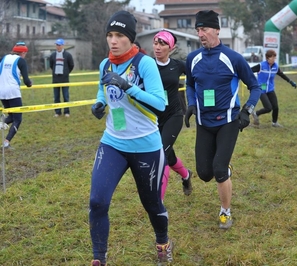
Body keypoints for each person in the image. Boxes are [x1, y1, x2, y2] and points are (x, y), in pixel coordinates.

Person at [89, 11, 172, 266]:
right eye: (110, 35)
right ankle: (99, 258)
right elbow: (103, 90)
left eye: (120, 36)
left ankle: (163, 242)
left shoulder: (144, 64)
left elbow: (161, 103)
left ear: (130, 39)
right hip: (113, 142)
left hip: (145, 145)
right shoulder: (106, 64)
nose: (113, 41)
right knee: (97, 201)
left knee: (152, 204)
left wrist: (128, 86)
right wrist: (99, 103)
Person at [185, 10, 261, 229]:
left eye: (205, 29)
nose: (201, 34)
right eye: (198, 30)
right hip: (204, 122)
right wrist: (191, 103)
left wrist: (247, 109)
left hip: (228, 120)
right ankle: (224, 171)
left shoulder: (233, 58)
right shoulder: (193, 58)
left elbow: (254, 86)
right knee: (204, 173)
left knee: (218, 169)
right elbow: (190, 84)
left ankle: (225, 211)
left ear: (217, 30)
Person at [152, 29, 193, 200]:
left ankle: (158, 203)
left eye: (162, 44)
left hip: (174, 115)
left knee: (161, 154)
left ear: (172, 47)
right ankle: (186, 176)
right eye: (155, 43)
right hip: (153, 119)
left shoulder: (178, 65)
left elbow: (196, 78)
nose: (158, 47)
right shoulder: (147, 65)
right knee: (168, 153)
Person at [251, 49, 297, 127]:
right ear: (267, 58)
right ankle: (256, 113)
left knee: (275, 107)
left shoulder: (275, 67)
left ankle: (274, 123)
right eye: (272, 58)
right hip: (261, 89)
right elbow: (249, 71)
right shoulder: (261, 66)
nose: (274, 59)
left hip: (270, 89)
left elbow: (282, 75)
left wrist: (290, 82)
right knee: (268, 108)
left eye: (274, 58)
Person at [0, 42, 32, 149]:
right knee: (17, 119)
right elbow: (27, 81)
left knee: (11, 116)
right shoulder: (21, 61)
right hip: (13, 92)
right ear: (23, 52)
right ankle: (6, 142)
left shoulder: (4, 58)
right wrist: (30, 83)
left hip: (2, 91)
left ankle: (1, 125)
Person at [49, 38, 74, 117]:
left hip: (65, 79)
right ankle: (57, 112)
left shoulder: (68, 55)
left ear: (63, 45)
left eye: (59, 45)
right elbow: (51, 65)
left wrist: (66, 72)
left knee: (66, 96)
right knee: (56, 97)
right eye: (57, 45)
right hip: (55, 79)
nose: (58, 46)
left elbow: (71, 65)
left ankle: (66, 111)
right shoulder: (53, 55)